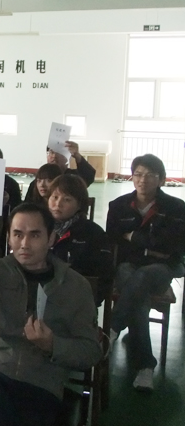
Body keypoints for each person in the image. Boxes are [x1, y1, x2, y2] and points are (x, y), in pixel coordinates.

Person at [0, 203, 101, 426]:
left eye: (35, 235)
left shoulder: (75, 286)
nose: (24, 244)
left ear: (51, 239)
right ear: (9, 238)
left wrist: (52, 345)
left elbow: (90, 351)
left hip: (42, 381)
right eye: (17, 234)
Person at [106, 154, 185, 391]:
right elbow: (112, 241)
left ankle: (113, 326)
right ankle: (145, 367)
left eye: (150, 175)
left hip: (163, 269)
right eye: (138, 174)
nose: (143, 180)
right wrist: (152, 246)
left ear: (161, 179)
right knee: (137, 294)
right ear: (132, 177)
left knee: (140, 277)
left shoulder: (176, 208)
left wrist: (134, 238)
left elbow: (175, 246)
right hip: (128, 266)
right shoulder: (118, 206)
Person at [47, 174, 113, 305]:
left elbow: (103, 278)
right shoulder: (40, 227)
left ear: (79, 205)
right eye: (54, 197)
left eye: (67, 199)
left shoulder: (93, 234)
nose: (58, 204)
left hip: (77, 301)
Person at [24, 141, 97, 201]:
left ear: (68, 157)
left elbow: (89, 176)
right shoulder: (38, 182)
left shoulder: (72, 178)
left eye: (59, 153)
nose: (54, 156)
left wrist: (77, 155)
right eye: (51, 152)